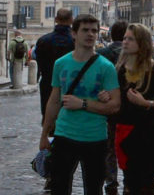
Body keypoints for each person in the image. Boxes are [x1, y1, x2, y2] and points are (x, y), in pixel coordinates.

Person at [38, 14, 121, 195]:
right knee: (59, 188)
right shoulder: (61, 64)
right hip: (64, 135)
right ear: (74, 34)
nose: (90, 34)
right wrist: (44, 134)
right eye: (85, 30)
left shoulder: (106, 67)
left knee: (93, 189)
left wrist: (83, 104)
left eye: (94, 31)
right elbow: (53, 100)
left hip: (95, 137)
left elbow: (115, 105)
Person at [109, 23, 154, 194]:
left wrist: (146, 103)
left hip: (148, 135)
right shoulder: (119, 70)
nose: (125, 42)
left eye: (130, 39)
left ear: (142, 42)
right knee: (129, 183)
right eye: (124, 38)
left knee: (145, 186)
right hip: (124, 132)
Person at [97, 20, 128, 195]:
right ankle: (129, 180)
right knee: (128, 146)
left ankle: (111, 182)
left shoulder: (102, 54)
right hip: (129, 109)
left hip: (107, 108)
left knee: (109, 149)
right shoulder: (133, 54)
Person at [35, 9, 75, 119]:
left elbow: (39, 62)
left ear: (56, 19)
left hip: (48, 82)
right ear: (71, 20)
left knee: (48, 116)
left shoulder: (43, 40)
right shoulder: (75, 41)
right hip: (71, 85)